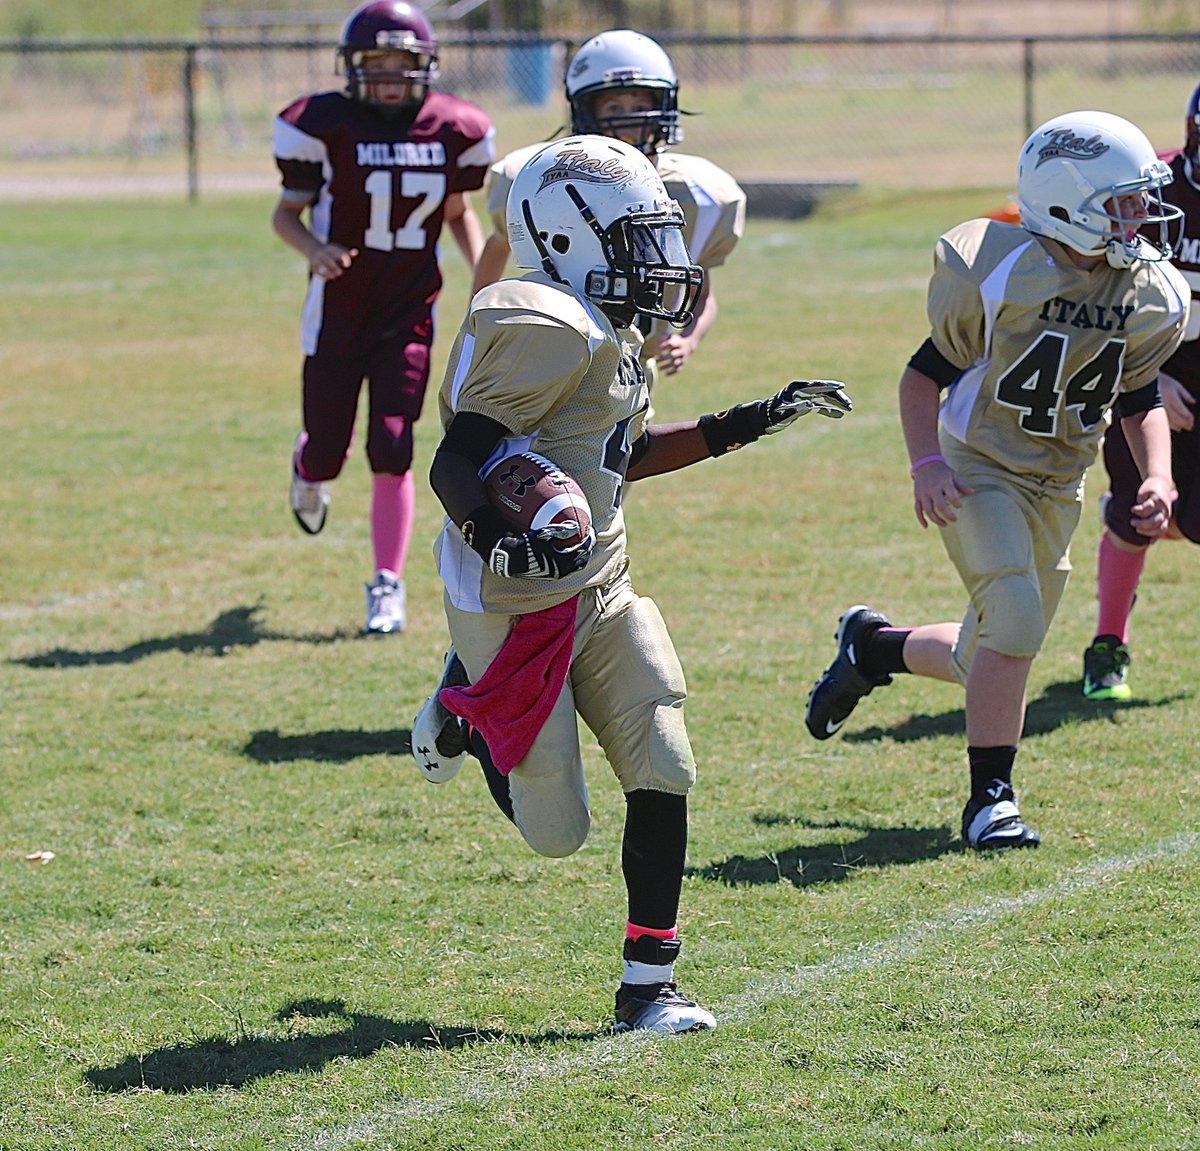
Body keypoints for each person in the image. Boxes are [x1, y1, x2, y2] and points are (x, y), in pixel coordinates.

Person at [410, 135, 851, 1032]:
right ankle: (466, 701)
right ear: (569, 239)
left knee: (666, 756)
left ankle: (648, 986)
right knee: (556, 830)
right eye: (636, 238)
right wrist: (504, 541)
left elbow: (624, 455)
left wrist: (750, 420)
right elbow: (456, 465)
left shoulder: (611, 324)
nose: (659, 259)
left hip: (602, 576)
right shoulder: (542, 322)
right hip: (512, 598)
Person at [804, 110, 1188, 851]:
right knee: (1013, 618)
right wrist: (927, 464)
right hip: (980, 463)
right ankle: (990, 800)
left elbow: (1137, 395)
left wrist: (1159, 474)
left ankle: (872, 647)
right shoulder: (1002, 269)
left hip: (1060, 479)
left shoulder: (1145, 292)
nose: (1141, 217)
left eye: (1142, 200)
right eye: (1124, 202)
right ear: (1066, 200)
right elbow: (921, 380)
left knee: (988, 653)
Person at [271, 0, 494, 634]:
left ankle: (387, 582)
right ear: (353, 68)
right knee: (327, 455)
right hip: (337, 315)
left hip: (407, 312)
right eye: (377, 62)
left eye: (404, 63)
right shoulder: (325, 125)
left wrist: (486, 282)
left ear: (427, 66)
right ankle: (306, 467)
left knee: (394, 444)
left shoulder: (452, 128)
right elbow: (285, 213)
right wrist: (314, 250)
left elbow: (456, 211)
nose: (391, 75)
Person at [472, 29, 745, 393]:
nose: (627, 121)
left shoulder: (701, 193)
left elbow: (701, 290)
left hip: (633, 370)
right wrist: (479, 322)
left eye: (638, 107)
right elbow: (498, 246)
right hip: (554, 353)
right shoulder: (540, 174)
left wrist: (688, 340)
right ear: (587, 110)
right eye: (613, 108)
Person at [1082, 84, 1200, 700]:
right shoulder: (1155, 190)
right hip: (1151, 358)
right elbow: (1108, 293)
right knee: (1137, 517)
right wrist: (1155, 374)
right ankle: (1108, 645)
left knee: (1184, 519)